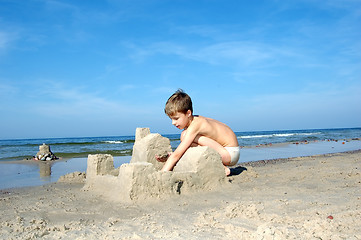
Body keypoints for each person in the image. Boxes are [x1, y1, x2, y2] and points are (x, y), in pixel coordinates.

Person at [156, 89, 240, 176]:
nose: (173, 123)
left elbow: (177, 154)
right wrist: (173, 156)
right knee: (186, 137)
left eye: (176, 118)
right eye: (171, 119)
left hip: (230, 154)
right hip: (228, 151)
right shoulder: (196, 120)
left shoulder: (196, 125)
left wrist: (162, 174)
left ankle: (221, 167)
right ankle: (221, 166)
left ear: (188, 113)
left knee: (185, 136)